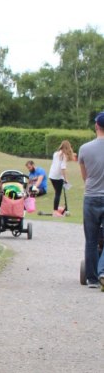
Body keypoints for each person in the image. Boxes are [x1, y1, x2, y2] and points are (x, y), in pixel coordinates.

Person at [78, 111, 104, 289]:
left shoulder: (84, 148)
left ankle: (93, 278)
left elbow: (84, 176)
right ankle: (103, 270)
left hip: (92, 197)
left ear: (96, 125)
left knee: (91, 239)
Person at [48, 140, 76, 215]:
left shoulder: (55, 153)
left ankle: (56, 208)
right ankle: (55, 210)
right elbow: (63, 168)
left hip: (52, 175)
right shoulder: (63, 156)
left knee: (57, 193)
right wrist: (66, 179)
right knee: (58, 194)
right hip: (58, 177)